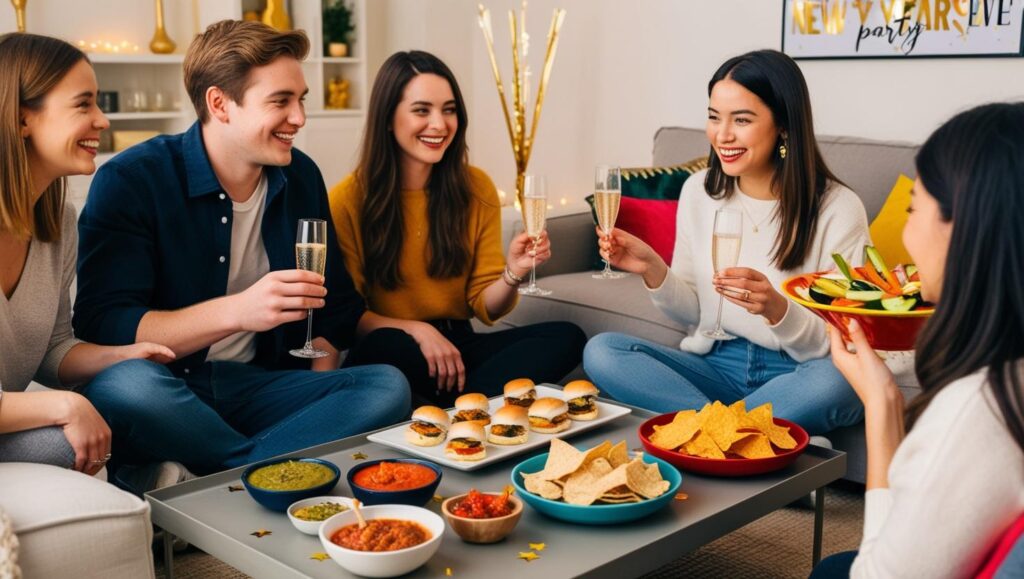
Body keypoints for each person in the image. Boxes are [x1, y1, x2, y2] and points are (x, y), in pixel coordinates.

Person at [72, 21, 410, 494]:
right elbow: (103, 322)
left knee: (385, 386)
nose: (299, 117)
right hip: (169, 385)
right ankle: (262, 470)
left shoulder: (301, 177)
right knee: (124, 387)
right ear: (219, 104)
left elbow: (336, 312)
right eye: (280, 101)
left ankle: (206, 475)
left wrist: (318, 388)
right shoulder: (132, 179)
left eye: (302, 99)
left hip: (258, 385)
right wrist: (238, 311)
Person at [583, 50, 867, 435]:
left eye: (742, 120)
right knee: (603, 352)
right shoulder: (699, 191)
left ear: (783, 125)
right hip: (715, 365)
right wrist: (653, 268)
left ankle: (701, 433)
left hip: (797, 370)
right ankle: (744, 434)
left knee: (838, 383)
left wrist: (778, 310)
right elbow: (693, 314)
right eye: (714, 117)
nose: (722, 135)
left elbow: (841, 342)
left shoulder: (838, 208)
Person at [810, 103, 1024, 577]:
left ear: (965, 227)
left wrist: (883, 410)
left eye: (913, 209)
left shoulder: (980, 408)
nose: (906, 238)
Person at [329, 51, 585, 407]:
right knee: (383, 349)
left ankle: (458, 408)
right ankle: (476, 404)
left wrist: (514, 272)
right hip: (396, 345)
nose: (439, 124)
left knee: (568, 337)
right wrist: (418, 330)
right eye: (422, 110)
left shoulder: (474, 187)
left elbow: (485, 307)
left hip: (459, 345)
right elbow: (348, 317)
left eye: (448, 110)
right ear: (388, 118)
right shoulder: (348, 199)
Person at [0, 33, 174, 476]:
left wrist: (122, 355)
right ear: (22, 119)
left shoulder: (58, 221)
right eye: (84, 105)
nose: (102, 120)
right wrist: (66, 404)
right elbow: (62, 397)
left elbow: (53, 349)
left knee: (129, 392)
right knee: (69, 441)